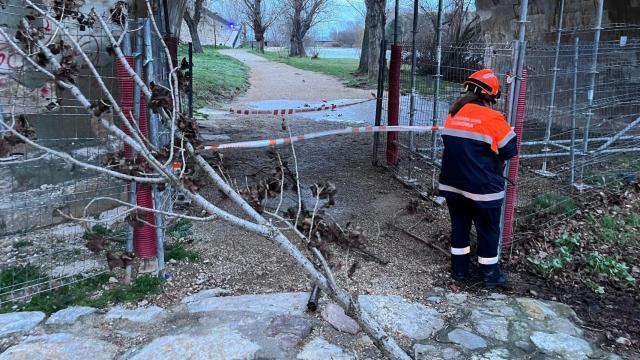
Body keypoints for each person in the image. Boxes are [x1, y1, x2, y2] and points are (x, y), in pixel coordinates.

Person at [438, 69, 518, 289]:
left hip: (452, 184)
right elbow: (510, 149)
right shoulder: (493, 117)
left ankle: (459, 270)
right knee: (488, 229)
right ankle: (490, 274)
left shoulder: (453, 113)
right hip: (483, 188)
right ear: (489, 96)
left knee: (460, 226)